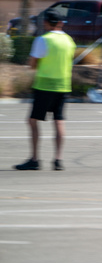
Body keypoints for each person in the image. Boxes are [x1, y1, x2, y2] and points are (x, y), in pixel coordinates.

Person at [14, 9, 76, 171]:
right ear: (61, 23)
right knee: (59, 121)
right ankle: (58, 159)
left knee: (33, 121)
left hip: (44, 85)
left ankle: (34, 159)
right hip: (63, 85)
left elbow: (32, 64)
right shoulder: (69, 41)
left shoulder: (43, 40)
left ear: (47, 23)